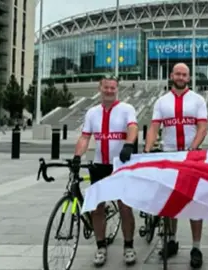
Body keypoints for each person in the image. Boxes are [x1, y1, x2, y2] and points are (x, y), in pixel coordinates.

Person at [143, 63, 208, 269]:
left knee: (194, 202)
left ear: (189, 78)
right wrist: (147, 150)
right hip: (169, 155)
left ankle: (196, 247)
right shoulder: (162, 101)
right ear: (172, 76)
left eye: (184, 74)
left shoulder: (197, 100)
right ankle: (171, 240)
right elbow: (154, 127)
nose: (180, 77)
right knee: (170, 201)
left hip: (192, 157)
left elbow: (202, 127)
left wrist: (193, 148)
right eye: (177, 74)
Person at [72, 75, 139, 267]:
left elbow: (132, 128)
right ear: (99, 89)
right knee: (97, 208)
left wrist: (128, 144)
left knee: (125, 207)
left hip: (120, 165)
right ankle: (100, 247)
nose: (109, 91)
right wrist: (77, 157)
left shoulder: (126, 109)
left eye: (112, 88)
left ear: (117, 89)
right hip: (99, 165)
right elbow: (85, 137)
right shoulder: (93, 112)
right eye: (106, 88)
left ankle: (128, 246)